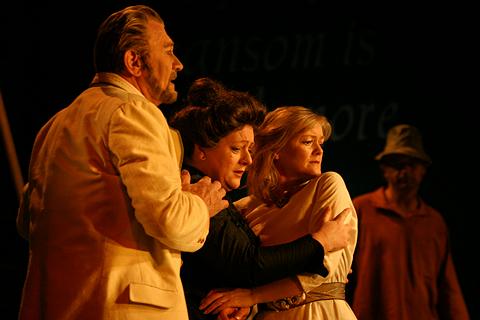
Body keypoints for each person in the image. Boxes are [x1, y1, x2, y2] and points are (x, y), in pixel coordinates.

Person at [15, 5, 229, 320]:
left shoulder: (54, 125)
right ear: (134, 61)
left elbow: (27, 224)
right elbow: (171, 221)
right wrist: (199, 203)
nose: (178, 64)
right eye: (167, 50)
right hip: (125, 308)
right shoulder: (133, 112)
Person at [169, 78, 354, 320]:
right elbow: (249, 267)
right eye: (308, 142)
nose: (320, 151)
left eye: (321, 143)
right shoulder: (221, 201)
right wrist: (319, 242)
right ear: (276, 150)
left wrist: (251, 298)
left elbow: (322, 272)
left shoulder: (327, 185)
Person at [347, 124, 470, 320]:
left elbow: (448, 286)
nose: (404, 171)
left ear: (423, 170)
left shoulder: (433, 222)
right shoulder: (361, 209)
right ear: (384, 169)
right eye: (397, 164)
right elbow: (341, 275)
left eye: (412, 164)